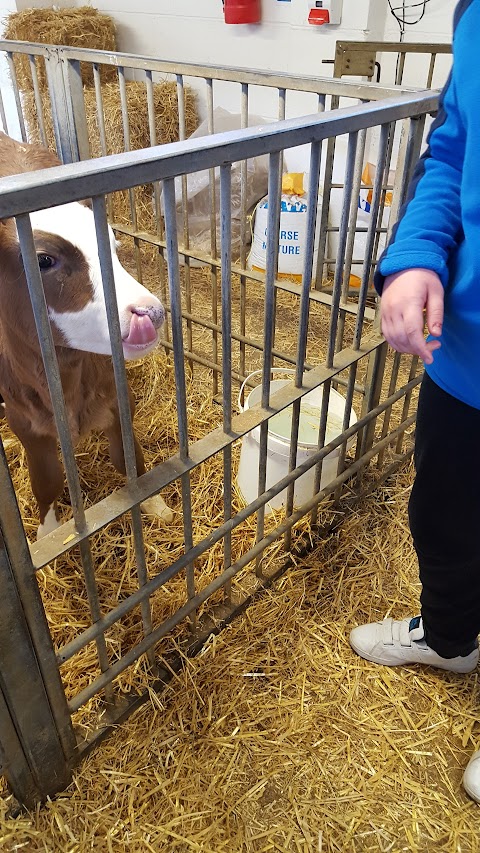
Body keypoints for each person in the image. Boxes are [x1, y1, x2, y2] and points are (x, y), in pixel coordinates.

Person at [348, 0, 480, 803]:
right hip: (465, 351)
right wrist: (417, 255)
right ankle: (454, 635)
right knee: (443, 514)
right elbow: (454, 148)